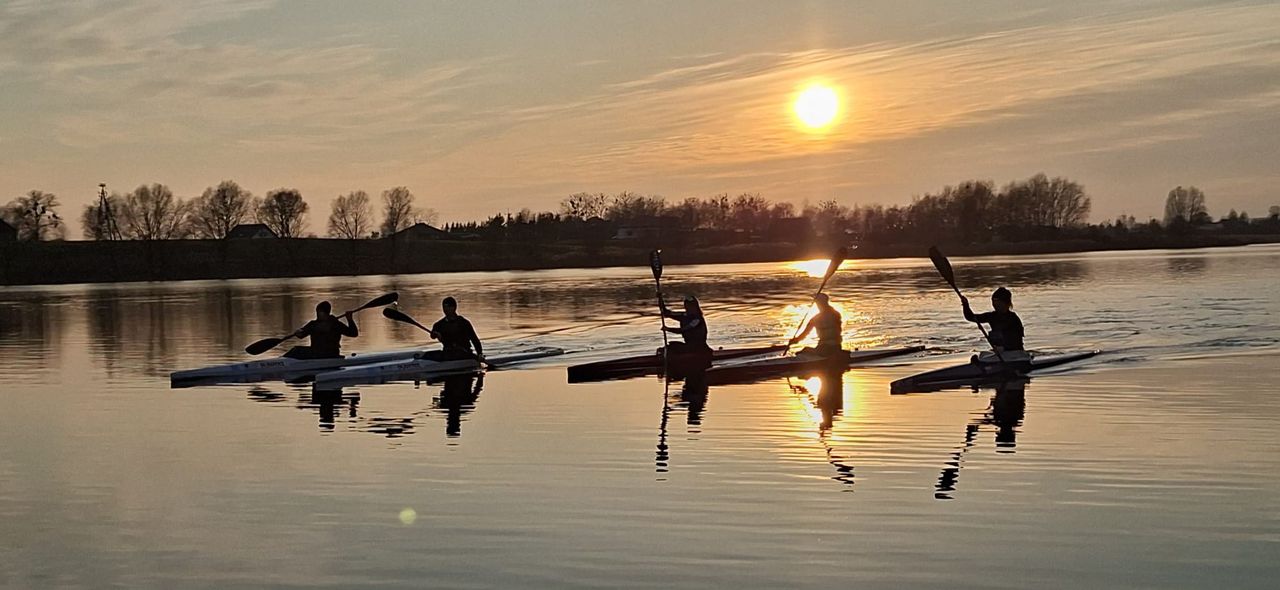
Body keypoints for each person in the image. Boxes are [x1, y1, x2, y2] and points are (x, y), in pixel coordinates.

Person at [961, 287, 1026, 360]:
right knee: (982, 355)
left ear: (1006, 303)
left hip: (1015, 353)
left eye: (998, 302)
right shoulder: (992, 316)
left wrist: (1004, 347)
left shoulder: (1013, 319)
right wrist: (965, 305)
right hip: (1000, 353)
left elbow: (1016, 340)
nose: (995, 305)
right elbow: (971, 317)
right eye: (993, 301)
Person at [287, 301, 358, 359]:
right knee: (296, 349)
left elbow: (353, 334)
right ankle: (282, 361)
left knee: (297, 350)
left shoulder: (335, 324)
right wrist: (298, 332)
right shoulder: (314, 324)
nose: (317, 314)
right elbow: (301, 335)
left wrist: (350, 320)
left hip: (329, 354)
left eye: (318, 312)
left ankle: (281, 363)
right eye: (317, 312)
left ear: (324, 313)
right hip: (319, 353)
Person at [429, 297, 484, 361]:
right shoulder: (439, 324)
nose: (446, 309)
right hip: (448, 353)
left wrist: (479, 354)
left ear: (454, 308)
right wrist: (435, 334)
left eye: (448, 307)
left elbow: (474, 339)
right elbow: (432, 336)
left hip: (464, 353)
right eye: (444, 307)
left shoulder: (463, 323)